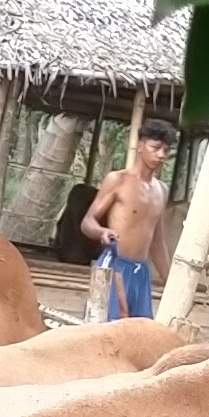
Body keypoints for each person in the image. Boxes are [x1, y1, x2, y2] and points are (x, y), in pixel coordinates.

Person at [80, 116, 175, 319]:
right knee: (105, 327)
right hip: (114, 266)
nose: (161, 155)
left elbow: (157, 242)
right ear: (140, 146)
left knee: (139, 331)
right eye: (155, 148)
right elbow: (87, 222)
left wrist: (172, 283)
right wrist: (101, 231)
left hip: (141, 272)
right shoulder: (117, 180)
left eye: (166, 151)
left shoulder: (161, 190)